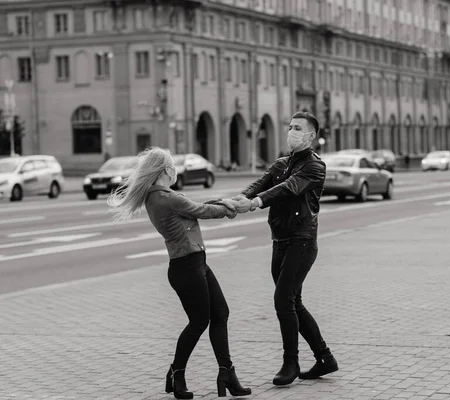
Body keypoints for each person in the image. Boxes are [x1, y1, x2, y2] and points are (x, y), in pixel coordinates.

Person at [107, 147, 251, 399]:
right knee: (199, 322)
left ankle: (226, 373)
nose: (175, 170)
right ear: (164, 170)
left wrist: (223, 203)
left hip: (195, 263)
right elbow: (202, 211)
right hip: (187, 267)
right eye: (172, 165)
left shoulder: (160, 197)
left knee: (220, 313)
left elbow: (194, 207)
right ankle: (177, 373)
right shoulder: (166, 198)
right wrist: (231, 208)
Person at [229, 111, 338, 386]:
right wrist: (240, 198)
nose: (291, 131)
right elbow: (260, 184)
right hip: (279, 241)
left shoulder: (315, 167)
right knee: (292, 302)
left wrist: (255, 203)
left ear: (311, 136)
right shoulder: (280, 164)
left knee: (282, 301)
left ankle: (291, 362)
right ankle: (324, 358)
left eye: (298, 128)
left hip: (302, 241)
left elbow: (289, 189)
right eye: (290, 126)